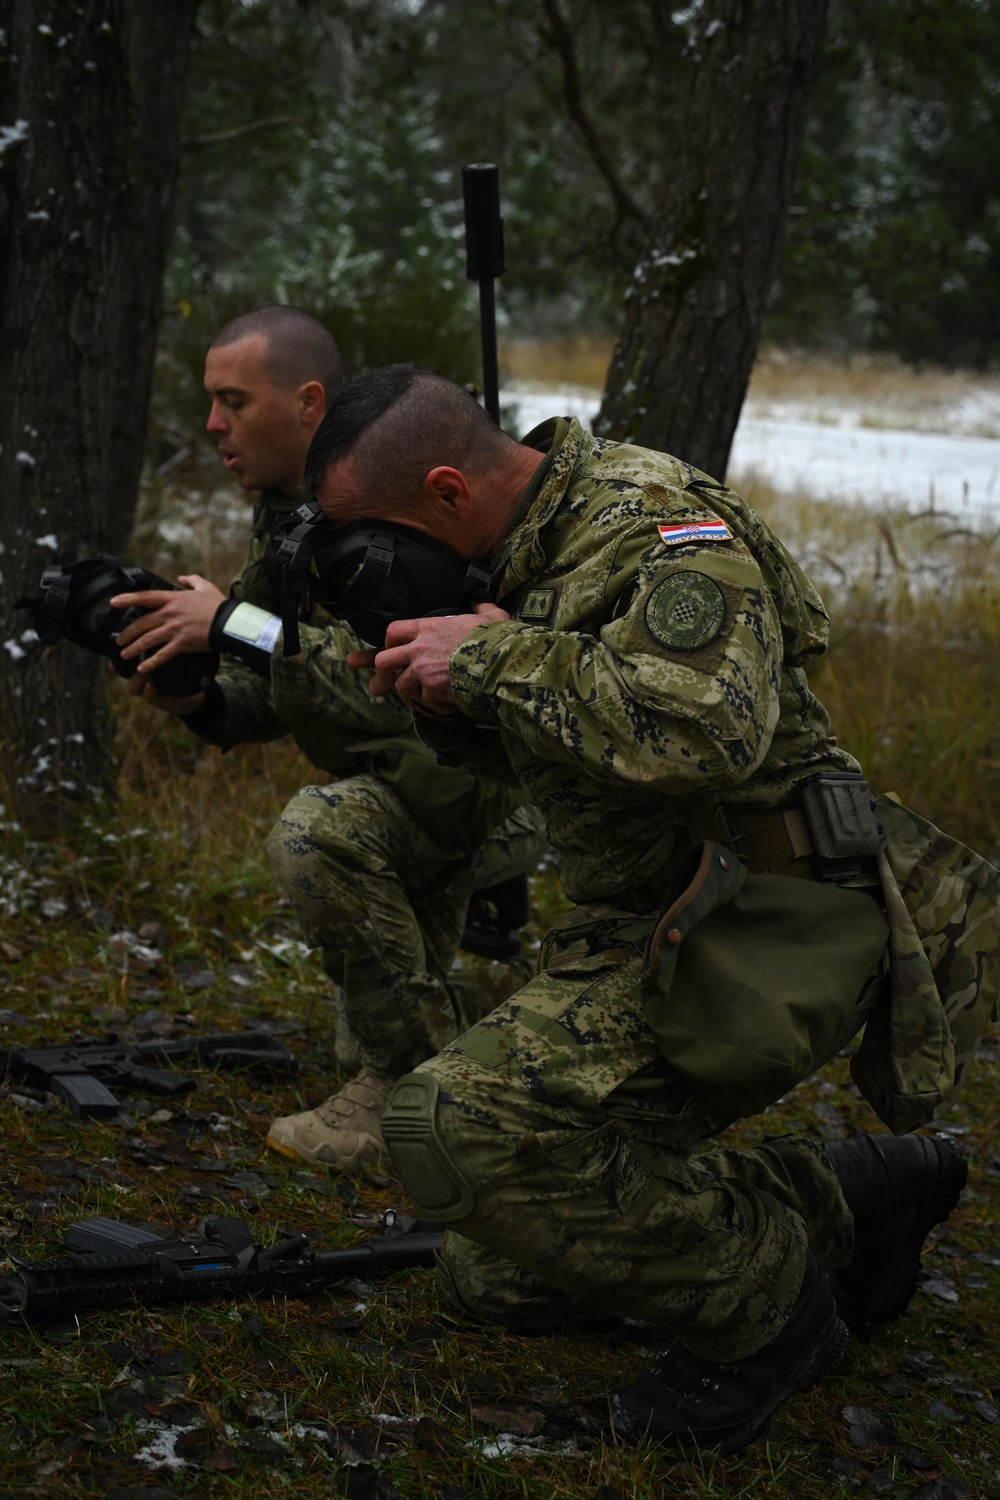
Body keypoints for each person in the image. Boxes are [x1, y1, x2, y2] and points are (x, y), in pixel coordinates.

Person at [300, 363, 990, 1451]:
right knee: (496, 1272)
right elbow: (555, 742)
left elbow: (704, 734)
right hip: (654, 916)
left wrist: (491, 658)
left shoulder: (656, 525)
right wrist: (447, 693)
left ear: (446, 490)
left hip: (774, 908)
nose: (367, 563)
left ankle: (774, 1317)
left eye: (370, 536)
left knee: (454, 1129)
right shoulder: (511, 554)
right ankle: (841, 1194)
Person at [112, 311, 547, 1170]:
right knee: (369, 1023)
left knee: (316, 837)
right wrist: (199, 699)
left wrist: (233, 626)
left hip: (480, 793)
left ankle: (414, 1092)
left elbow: (386, 684)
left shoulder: (388, 510)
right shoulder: (287, 520)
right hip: (403, 790)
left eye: (234, 401)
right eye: (211, 402)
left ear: (308, 403)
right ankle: (478, 1037)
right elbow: (279, 688)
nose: (213, 425)